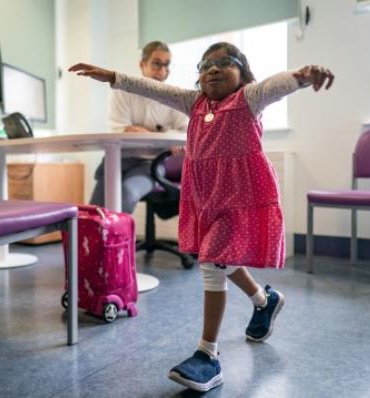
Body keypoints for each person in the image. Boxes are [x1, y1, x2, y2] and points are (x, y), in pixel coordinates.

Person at [69, 41, 334, 392]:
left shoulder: (248, 99)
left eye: (225, 62)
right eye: (205, 64)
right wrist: (113, 77)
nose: (212, 68)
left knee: (211, 263)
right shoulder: (193, 103)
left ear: (243, 72)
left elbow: (276, 85)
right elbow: (152, 87)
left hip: (242, 197)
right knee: (220, 258)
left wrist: (302, 76)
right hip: (206, 198)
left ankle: (207, 355)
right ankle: (263, 300)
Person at [89, 41, 188, 214]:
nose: (162, 70)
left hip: (151, 163)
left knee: (126, 194)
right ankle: (94, 242)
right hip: (117, 160)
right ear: (142, 64)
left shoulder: (175, 96)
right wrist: (161, 136)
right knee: (95, 209)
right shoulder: (122, 91)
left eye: (166, 65)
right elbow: (119, 128)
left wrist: (145, 132)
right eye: (156, 63)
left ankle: (119, 241)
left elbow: (184, 132)